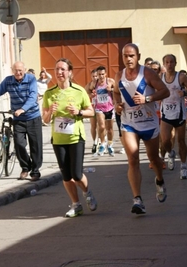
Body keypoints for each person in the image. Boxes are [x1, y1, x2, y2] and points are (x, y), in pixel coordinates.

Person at [113, 43, 170, 215]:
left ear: (138, 56)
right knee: (133, 158)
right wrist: (117, 105)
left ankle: (159, 180)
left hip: (149, 122)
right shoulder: (119, 75)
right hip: (129, 123)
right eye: (125, 56)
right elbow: (116, 92)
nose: (128, 59)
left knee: (153, 159)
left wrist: (148, 98)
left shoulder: (147, 73)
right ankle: (137, 199)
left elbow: (165, 91)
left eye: (131, 56)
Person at [42, 58, 97, 218]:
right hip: (58, 139)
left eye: (63, 69)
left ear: (70, 72)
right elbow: (44, 119)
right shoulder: (49, 93)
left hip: (75, 137)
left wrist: (78, 112)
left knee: (77, 174)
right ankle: (76, 204)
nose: (59, 72)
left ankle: (87, 193)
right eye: (57, 69)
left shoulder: (79, 91)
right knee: (66, 175)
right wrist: (50, 112)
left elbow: (91, 111)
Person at [0, 61, 43, 181]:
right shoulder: (8, 81)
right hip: (18, 119)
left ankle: (35, 171)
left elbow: (32, 96)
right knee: (19, 143)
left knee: (36, 146)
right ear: (12, 70)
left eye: (20, 70)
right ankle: (25, 167)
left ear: (24, 70)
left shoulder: (31, 79)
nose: (18, 73)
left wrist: (22, 109)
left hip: (33, 117)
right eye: (15, 70)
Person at [160, 55, 187, 180]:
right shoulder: (161, 77)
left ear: (175, 63)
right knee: (165, 141)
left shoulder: (181, 77)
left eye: (171, 62)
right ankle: (171, 153)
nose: (169, 64)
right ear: (164, 64)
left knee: (181, 141)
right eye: (167, 62)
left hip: (179, 113)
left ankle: (184, 167)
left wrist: (184, 92)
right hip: (166, 114)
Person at [91, 65, 116, 156]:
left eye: (102, 74)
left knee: (109, 129)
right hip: (99, 108)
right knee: (101, 126)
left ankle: (110, 144)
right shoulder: (94, 83)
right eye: (99, 74)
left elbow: (118, 90)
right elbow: (88, 90)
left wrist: (112, 89)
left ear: (105, 74)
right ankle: (102, 144)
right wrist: (92, 94)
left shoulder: (110, 81)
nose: (101, 76)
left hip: (109, 108)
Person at [85, 69, 100, 154]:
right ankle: (94, 142)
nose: (95, 78)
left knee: (101, 125)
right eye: (93, 76)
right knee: (93, 125)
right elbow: (85, 96)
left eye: (96, 76)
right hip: (93, 107)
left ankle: (102, 141)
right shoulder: (88, 86)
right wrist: (90, 95)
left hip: (103, 107)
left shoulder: (103, 84)